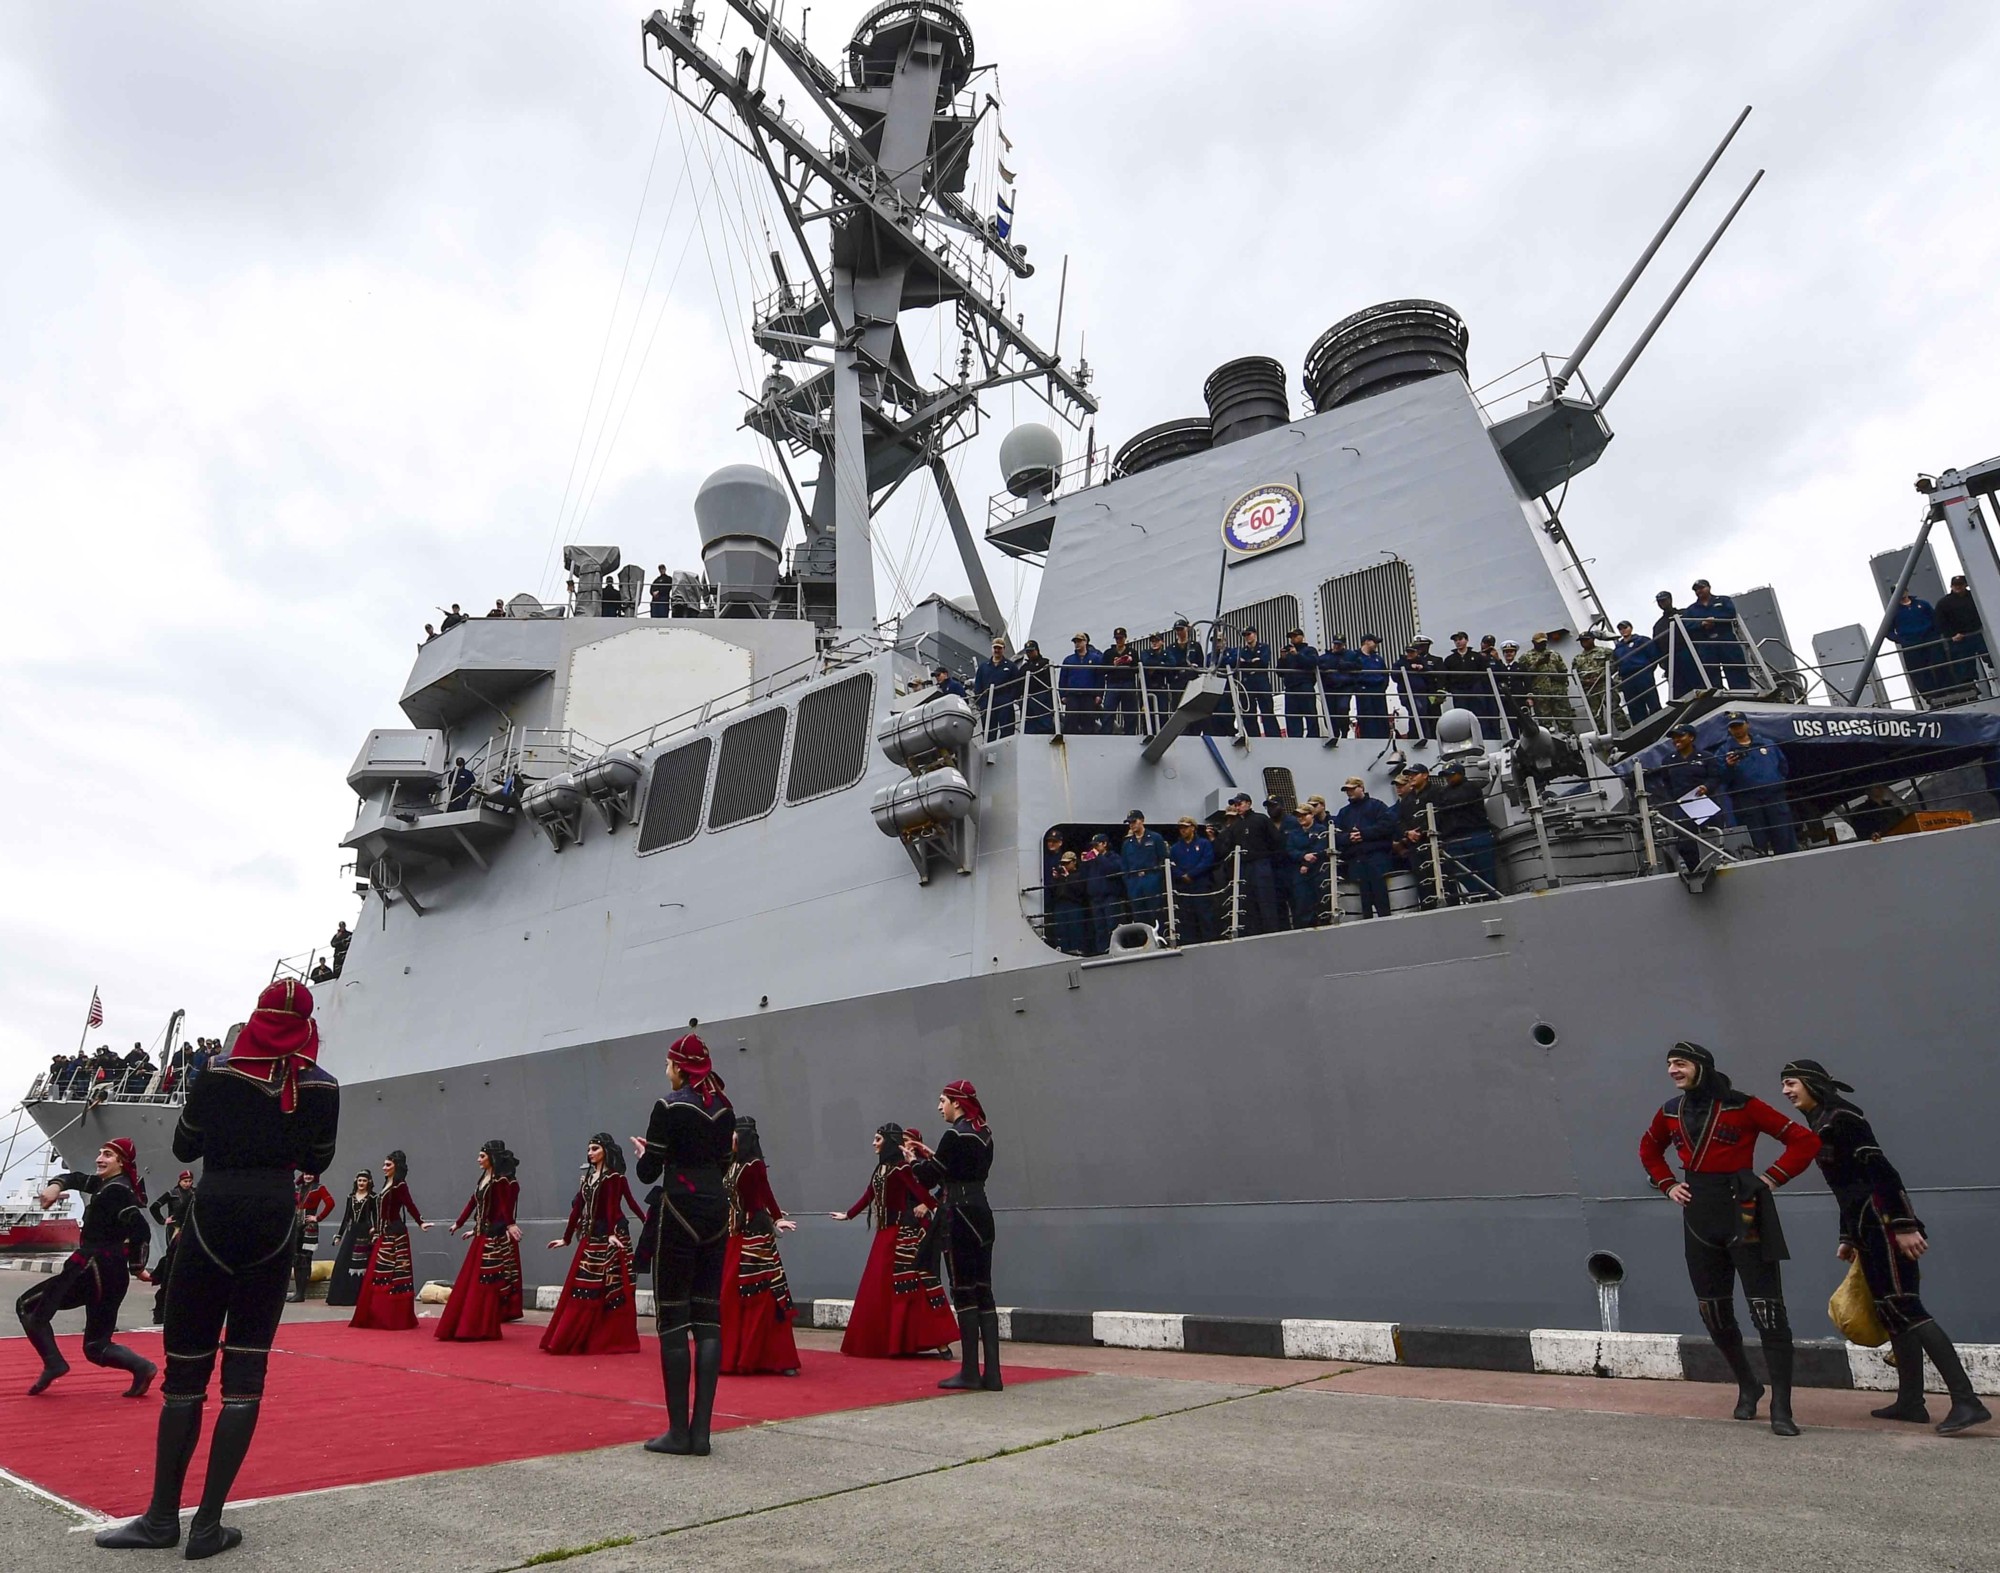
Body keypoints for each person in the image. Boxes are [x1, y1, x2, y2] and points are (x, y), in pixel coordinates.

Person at [96, 978, 339, 1557]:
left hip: (214, 1215)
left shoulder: (218, 1075)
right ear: (308, 1027)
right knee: (244, 1378)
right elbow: (318, 1159)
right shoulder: (322, 1086)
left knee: (186, 1373)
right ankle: (207, 1525)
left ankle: (161, 1519)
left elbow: (184, 1148)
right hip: (276, 1219)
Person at [1777, 1060, 1990, 1435]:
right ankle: (1911, 1402)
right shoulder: (1821, 1121)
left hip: (1883, 1222)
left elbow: (1880, 1171)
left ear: (1811, 1083)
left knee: (1905, 1306)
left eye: (1791, 1083)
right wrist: (1848, 1237)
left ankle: (1966, 1401)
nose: (1785, 1091)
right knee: (1891, 1311)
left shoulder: (1844, 1118)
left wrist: (1904, 1225)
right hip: (1865, 1226)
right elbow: (1846, 1188)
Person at [1639, 1042, 1819, 1437]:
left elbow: (1805, 1142)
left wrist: (1770, 1178)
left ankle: (1782, 1406)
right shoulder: (1670, 1111)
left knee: (1768, 1312)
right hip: (1698, 1215)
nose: (1672, 1070)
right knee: (1713, 1313)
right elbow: (1649, 1148)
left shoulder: (1745, 1105)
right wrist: (1668, 1184)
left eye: (1680, 1063)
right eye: (1669, 1064)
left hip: (1745, 1212)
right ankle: (1748, 1384)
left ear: (1700, 1066)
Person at [634, 1032, 736, 1456]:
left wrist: (644, 1153)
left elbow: (647, 1173)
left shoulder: (668, 1107)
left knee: (673, 1320)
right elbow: (726, 1162)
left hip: (679, 1210)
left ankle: (678, 1432)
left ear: (679, 1067)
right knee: (708, 1318)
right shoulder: (726, 1108)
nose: (666, 1071)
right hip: (716, 1212)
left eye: (668, 1065)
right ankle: (702, 1433)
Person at [18, 1138, 155, 1398]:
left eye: (107, 1155)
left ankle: (54, 1363)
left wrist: (138, 1267)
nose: (99, 1158)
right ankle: (142, 1367)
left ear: (122, 1163)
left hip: (92, 1267)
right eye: (100, 1152)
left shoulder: (116, 1192)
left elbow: (141, 1229)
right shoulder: (108, 1185)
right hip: (111, 1272)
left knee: (27, 1306)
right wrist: (56, 1186)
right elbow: (78, 1178)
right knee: (95, 1346)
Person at [831, 1123, 958, 1359]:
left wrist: (934, 1207)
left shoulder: (901, 1168)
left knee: (915, 1285)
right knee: (879, 1287)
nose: (873, 1143)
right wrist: (848, 1214)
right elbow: (869, 1195)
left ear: (888, 1141)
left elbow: (920, 1192)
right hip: (885, 1234)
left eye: (877, 1139)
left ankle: (939, 1341)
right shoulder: (881, 1170)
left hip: (904, 1233)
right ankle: (887, 1342)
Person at [909, 1079, 1001, 1391]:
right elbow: (959, 1168)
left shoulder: (953, 1134)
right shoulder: (984, 1134)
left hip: (958, 1215)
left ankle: (969, 1372)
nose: (939, 1107)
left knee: (962, 1290)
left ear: (956, 1103)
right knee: (983, 1290)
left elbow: (929, 1176)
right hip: (982, 1213)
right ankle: (993, 1375)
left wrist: (911, 1161)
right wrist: (931, 1155)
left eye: (942, 1101)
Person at [542, 1135, 642, 1355]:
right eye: (589, 1149)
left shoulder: (614, 1178)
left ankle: (610, 1336)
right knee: (583, 1288)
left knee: (611, 1289)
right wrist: (566, 1238)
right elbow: (577, 1209)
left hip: (611, 1238)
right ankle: (578, 1335)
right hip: (591, 1238)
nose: (590, 1153)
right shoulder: (588, 1179)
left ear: (605, 1151)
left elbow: (621, 1206)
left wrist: (647, 1224)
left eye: (595, 1148)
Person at [720, 1118, 800, 1376]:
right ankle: (733, 1355)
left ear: (741, 1137)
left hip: (754, 1236)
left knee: (762, 1295)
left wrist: (776, 1217)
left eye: (732, 1134)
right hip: (734, 1236)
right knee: (730, 1295)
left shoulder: (754, 1166)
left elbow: (765, 1193)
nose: (728, 1139)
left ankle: (777, 1357)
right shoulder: (732, 1165)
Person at [436, 1141, 523, 1341]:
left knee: (484, 1281)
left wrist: (510, 1225)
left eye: (482, 1156)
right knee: (474, 1280)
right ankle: (471, 1322)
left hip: (492, 1234)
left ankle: (480, 1324)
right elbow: (473, 1203)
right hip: (482, 1233)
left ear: (492, 1158)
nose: (478, 1160)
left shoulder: (502, 1181)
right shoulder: (484, 1179)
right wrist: (459, 1224)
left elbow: (503, 1206)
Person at [350, 1150, 432, 1330]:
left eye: (388, 1165)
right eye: (384, 1164)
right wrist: (376, 1229)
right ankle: (378, 1315)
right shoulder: (387, 1184)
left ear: (397, 1166)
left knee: (392, 1274)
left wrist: (420, 1222)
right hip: (384, 1233)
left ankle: (393, 1316)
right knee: (379, 1273)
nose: (384, 1168)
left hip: (395, 1235)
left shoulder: (399, 1185)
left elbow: (409, 1204)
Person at [1644, 722, 1723, 884]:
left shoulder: (1706, 757)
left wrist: (1706, 787)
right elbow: (1666, 782)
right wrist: (1674, 799)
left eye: (1680, 736)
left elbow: (1716, 777)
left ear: (1691, 737)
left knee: (1714, 835)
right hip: (1682, 805)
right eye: (1674, 737)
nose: (1676, 740)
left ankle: (1719, 864)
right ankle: (1695, 869)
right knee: (1684, 842)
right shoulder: (1669, 760)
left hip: (1704, 803)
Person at [1718, 712, 1796, 855]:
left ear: (1747, 724)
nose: (1737, 729)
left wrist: (1777, 782)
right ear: (1729, 729)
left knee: (1784, 837)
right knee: (1756, 842)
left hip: (1774, 797)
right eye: (1733, 727)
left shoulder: (1768, 743)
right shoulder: (1724, 750)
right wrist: (1729, 766)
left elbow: (1783, 766)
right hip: (1747, 800)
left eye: (1740, 725)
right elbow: (1721, 778)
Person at [1215, 791, 1282, 934]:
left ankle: (1272, 931)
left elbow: (1276, 840)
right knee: (1248, 900)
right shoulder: (1235, 826)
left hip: (1261, 863)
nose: (1237, 807)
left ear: (1248, 803)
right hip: (1244, 866)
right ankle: (1254, 931)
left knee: (1266, 899)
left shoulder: (1261, 819)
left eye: (1240, 804)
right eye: (1235, 805)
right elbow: (1227, 847)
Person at [1433, 760, 1499, 902]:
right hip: (1453, 838)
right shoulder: (1443, 793)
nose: (1448, 778)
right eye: (1446, 776)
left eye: (1451, 775)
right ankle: (1475, 894)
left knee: (1486, 870)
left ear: (1461, 774)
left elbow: (1458, 799)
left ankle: (1491, 897)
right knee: (1459, 870)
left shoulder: (1472, 787)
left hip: (1476, 833)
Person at [1334, 776, 1397, 918]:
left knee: (1382, 899)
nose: (1348, 792)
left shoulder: (1377, 806)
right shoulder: (1344, 813)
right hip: (1356, 861)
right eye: (1347, 790)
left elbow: (1387, 826)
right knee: (1362, 903)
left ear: (1361, 788)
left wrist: (1363, 834)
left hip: (1377, 858)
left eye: (1351, 789)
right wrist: (1349, 837)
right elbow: (1336, 835)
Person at [1888, 589, 1952, 705]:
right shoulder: (1893, 611)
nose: (1902, 593)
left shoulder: (1922, 604)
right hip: (1911, 644)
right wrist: (1902, 640)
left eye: (1903, 590)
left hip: (1930, 640)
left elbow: (1935, 619)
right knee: (1918, 670)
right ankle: (1930, 694)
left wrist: (1935, 634)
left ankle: (1946, 690)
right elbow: (1888, 631)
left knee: (1940, 663)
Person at [325, 1170, 377, 1309]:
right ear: (356, 1181)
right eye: (359, 1180)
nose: (361, 1183)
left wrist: (375, 1229)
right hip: (351, 1232)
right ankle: (340, 1297)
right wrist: (339, 1235)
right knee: (343, 1262)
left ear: (369, 1182)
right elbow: (346, 1217)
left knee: (360, 1264)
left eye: (364, 1181)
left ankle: (357, 1296)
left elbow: (376, 1216)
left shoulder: (372, 1197)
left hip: (364, 1233)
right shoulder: (351, 1197)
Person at [148, 1170, 195, 1323]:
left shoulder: (195, 1194)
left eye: (190, 1181)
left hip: (191, 1228)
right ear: (180, 1181)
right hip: (175, 1229)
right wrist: (163, 1220)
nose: (187, 1184)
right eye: (185, 1181)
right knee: (172, 1259)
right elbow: (154, 1206)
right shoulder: (172, 1193)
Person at [1684, 580, 1748, 689]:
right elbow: (1686, 624)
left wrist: (1715, 620)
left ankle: (1742, 690)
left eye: (1701, 588)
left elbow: (1730, 613)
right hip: (1706, 643)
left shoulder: (1723, 600)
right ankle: (1717, 693)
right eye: (1696, 590)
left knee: (1735, 666)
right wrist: (1701, 623)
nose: (1699, 591)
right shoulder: (1691, 609)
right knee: (1710, 671)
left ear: (1709, 587)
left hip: (1726, 639)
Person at [287, 1172, 335, 1304]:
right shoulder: (297, 1187)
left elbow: (330, 1203)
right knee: (296, 1258)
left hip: (309, 1227)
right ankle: (298, 1292)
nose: (308, 1176)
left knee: (305, 1258)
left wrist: (318, 1218)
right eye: (306, 1174)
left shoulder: (319, 1188)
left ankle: (301, 1293)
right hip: (295, 1227)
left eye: (311, 1174)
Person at [1119, 810, 1171, 930]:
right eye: (1129, 823)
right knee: (1139, 915)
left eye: (1134, 821)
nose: (1131, 825)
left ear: (1142, 820)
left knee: (1156, 913)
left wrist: (1158, 877)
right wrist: (1129, 881)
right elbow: (1124, 865)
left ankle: (1160, 939)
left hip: (1151, 879)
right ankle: (1143, 942)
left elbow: (1163, 858)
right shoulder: (1127, 844)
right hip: (1135, 882)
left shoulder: (1155, 838)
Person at [1169, 815, 1216, 944]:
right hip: (1184, 887)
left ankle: (1209, 941)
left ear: (1193, 828)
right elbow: (1172, 865)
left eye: (1185, 827)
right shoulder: (1175, 848)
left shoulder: (1204, 843)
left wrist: (1192, 874)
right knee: (1186, 918)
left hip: (1201, 884)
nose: (1182, 830)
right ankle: (1189, 943)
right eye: (1180, 828)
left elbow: (1207, 860)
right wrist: (1181, 876)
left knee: (1205, 915)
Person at [1937, 573, 1987, 690]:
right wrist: (1952, 635)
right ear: (1951, 586)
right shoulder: (1944, 603)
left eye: (1960, 585)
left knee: (1990, 657)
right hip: (1960, 639)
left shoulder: (1975, 596)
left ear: (1966, 585)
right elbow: (1940, 622)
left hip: (1979, 634)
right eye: (1955, 585)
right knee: (1964, 666)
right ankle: (1970, 688)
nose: (1957, 587)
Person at [1284, 803, 1330, 926]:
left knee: (1322, 902)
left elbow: (1320, 848)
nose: (1300, 818)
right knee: (1302, 903)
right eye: (1298, 816)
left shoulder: (1321, 830)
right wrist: (1303, 856)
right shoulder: (1293, 834)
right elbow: (1290, 850)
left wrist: (1307, 864)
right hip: (1300, 874)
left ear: (1312, 815)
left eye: (1304, 815)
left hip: (1318, 871)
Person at [1571, 630, 1625, 732]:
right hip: (1590, 690)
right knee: (1595, 714)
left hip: (1604, 685)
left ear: (1592, 639)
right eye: (1582, 641)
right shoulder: (1577, 659)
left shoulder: (1605, 652)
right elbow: (1575, 676)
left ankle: (1624, 728)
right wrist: (1586, 681)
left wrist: (1601, 676)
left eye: (1586, 640)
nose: (1584, 643)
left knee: (1613, 708)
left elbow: (1614, 665)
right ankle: (1603, 736)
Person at [1654, 590, 1701, 699]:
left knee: (1696, 681)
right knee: (1678, 688)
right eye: (1659, 602)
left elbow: (1697, 630)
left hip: (1689, 652)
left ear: (1670, 600)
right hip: (1671, 659)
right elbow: (1657, 646)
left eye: (1664, 600)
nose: (1662, 603)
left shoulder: (1685, 613)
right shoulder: (1658, 626)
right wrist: (1663, 663)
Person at [1080, 833, 1123, 954]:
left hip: (1109, 896)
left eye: (1096, 845)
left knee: (1112, 925)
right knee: (1099, 928)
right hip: (1095, 898)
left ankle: (1115, 949)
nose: (1093, 848)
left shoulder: (1113, 857)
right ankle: (1101, 951)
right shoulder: (1092, 861)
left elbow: (1112, 869)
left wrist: (1099, 857)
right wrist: (1084, 862)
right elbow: (1084, 877)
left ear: (1104, 844)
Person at [1231, 627, 1279, 737]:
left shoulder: (1264, 647)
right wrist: (1252, 662)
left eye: (1249, 634)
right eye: (1245, 635)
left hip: (1261, 682)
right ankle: (1254, 736)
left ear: (1255, 634)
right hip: (1248, 683)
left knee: (1267, 710)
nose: (1247, 637)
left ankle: (1273, 736)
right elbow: (1239, 664)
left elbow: (1263, 662)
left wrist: (1249, 663)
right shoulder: (1242, 651)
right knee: (1249, 713)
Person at [1612, 620, 1662, 724]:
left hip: (1642, 673)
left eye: (1625, 627)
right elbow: (1616, 663)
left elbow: (1653, 655)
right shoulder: (1618, 648)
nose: (1623, 630)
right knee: (1634, 705)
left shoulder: (1642, 640)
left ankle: (1660, 723)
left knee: (1651, 699)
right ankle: (1642, 729)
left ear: (1631, 628)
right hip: (1627, 678)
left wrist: (1648, 670)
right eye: (1620, 629)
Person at [1519, 632, 1572, 729]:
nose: (1542, 645)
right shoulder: (1525, 657)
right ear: (1533, 643)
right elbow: (1524, 676)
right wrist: (1538, 664)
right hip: (1540, 694)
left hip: (1558, 692)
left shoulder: (1554, 654)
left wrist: (1559, 678)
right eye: (1539, 643)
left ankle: (1568, 738)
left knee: (1565, 719)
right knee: (1545, 722)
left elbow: (1564, 671)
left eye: (1544, 642)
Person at [973, 639, 1021, 740]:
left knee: (1007, 731)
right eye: (995, 648)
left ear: (1003, 649)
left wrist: (1009, 698)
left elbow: (1017, 685)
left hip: (1004, 703)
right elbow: (978, 685)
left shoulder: (1010, 666)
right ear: (992, 648)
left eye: (999, 648)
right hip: (987, 704)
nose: (997, 650)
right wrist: (981, 702)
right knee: (989, 733)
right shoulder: (983, 667)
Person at [1278, 629, 1322, 738]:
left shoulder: (1310, 650)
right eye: (1291, 637)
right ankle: (1295, 739)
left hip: (1305, 685)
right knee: (1292, 717)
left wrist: (1297, 655)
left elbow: (1312, 663)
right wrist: (1282, 659)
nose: (1293, 639)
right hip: (1290, 688)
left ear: (1302, 636)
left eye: (1295, 636)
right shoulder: (1289, 654)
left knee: (1310, 714)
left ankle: (1313, 737)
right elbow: (1280, 673)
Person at [1396, 637, 1441, 740]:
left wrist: (1422, 668)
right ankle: (1415, 736)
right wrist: (1410, 667)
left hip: (1421, 693)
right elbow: (1395, 676)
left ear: (1417, 652)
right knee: (1416, 711)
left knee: (1423, 714)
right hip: (1407, 693)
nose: (1410, 654)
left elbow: (1430, 677)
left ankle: (1425, 737)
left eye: (1412, 652)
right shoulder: (1401, 663)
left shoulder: (1422, 662)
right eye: (1408, 652)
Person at [1059, 633, 1103, 735]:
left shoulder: (1095, 659)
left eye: (1079, 641)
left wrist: (1099, 695)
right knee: (1070, 721)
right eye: (1075, 642)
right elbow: (1063, 679)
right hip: (1073, 695)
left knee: (1088, 721)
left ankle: (1087, 744)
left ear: (1085, 642)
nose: (1077, 644)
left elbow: (1099, 678)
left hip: (1088, 696)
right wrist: (1063, 695)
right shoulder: (1068, 660)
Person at [1100, 628, 1140, 735]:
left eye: (1121, 638)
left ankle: (1130, 733)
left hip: (1128, 683)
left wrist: (1130, 662)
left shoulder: (1133, 652)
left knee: (1130, 711)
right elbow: (1102, 669)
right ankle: (1106, 733)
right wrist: (1114, 664)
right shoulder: (1109, 653)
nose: (1119, 640)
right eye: (1117, 638)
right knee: (1108, 710)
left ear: (1125, 638)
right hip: (1113, 683)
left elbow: (1137, 668)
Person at [1351, 634, 1391, 738]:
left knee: (1381, 716)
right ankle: (1368, 737)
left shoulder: (1378, 658)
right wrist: (1359, 687)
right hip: (1364, 690)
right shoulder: (1354, 656)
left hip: (1378, 691)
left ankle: (1383, 737)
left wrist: (1383, 687)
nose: (1376, 645)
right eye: (1375, 642)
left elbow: (1385, 674)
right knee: (1367, 716)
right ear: (1367, 642)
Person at [1317, 635, 1357, 738]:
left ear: (1344, 645)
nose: (1337, 646)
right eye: (1335, 644)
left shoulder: (1351, 655)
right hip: (1330, 688)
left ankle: (1344, 732)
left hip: (1345, 687)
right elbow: (1317, 665)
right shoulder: (1325, 657)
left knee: (1342, 709)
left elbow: (1358, 666)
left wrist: (1345, 665)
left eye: (1339, 644)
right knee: (1330, 713)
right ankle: (1334, 734)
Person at [1138, 630, 1176, 730]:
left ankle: (1161, 735)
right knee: (1147, 715)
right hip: (1148, 688)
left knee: (1162, 713)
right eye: (1152, 641)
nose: (1154, 643)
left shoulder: (1166, 653)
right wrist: (1161, 664)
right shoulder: (1145, 652)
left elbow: (1172, 663)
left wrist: (1155, 666)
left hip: (1161, 688)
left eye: (1157, 641)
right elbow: (1146, 662)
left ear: (1162, 642)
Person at [1018, 640, 1056, 735]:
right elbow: (1019, 683)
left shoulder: (1045, 663)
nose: (1029, 653)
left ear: (1037, 650)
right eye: (1028, 651)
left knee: (1044, 722)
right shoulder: (1024, 668)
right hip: (1028, 698)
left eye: (1031, 651)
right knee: (1029, 724)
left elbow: (1048, 681)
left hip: (1042, 696)